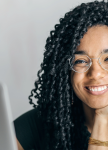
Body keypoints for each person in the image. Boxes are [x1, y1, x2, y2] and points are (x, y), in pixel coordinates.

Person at [14, 1, 108, 150]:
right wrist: (102, 120)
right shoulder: (44, 122)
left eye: (107, 59)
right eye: (81, 61)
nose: (95, 73)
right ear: (66, 70)